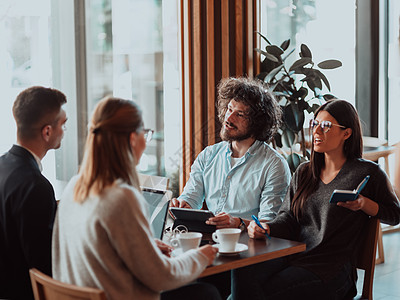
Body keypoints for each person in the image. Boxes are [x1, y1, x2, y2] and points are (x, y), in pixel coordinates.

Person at [52, 97, 220, 300]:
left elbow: (97, 248)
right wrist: (200, 256)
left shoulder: (74, 186)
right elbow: (161, 276)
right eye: (145, 133)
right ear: (132, 138)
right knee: (207, 293)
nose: (145, 140)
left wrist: (145, 245)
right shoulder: (122, 197)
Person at [231, 99, 400, 300]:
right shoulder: (304, 172)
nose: (317, 131)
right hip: (295, 257)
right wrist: (267, 228)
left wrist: (365, 204)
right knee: (242, 272)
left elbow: (395, 215)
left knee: (264, 292)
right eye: (315, 124)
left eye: (326, 126)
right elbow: (288, 217)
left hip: (332, 270)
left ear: (347, 133)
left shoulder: (367, 173)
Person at [171, 77, 291, 230]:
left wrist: (239, 223)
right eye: (229, 109)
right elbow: (191, 198)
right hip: (212, 241)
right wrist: (183, 206)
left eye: (239, 114)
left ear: (257, 122)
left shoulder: (274, 165)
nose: (228, 118)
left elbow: (269, 224)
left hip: (252, 247)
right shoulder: (208, 155)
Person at [0, 86, 67, 300]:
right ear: (47, 132)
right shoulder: (35, 185)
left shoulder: (3, 165)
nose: (64, 131)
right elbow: (45, 267)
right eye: (62, 125)